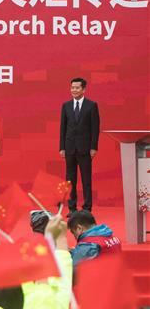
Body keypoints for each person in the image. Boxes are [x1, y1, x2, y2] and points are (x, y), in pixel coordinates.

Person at [59, 77, 100, 213]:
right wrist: (62, 147)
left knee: (86, 179)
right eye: (72, 88)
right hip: (70, 148)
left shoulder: (91, 105)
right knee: (70, 181)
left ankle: (87, 208)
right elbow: (63, 128)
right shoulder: (66, 106)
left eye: (77, 88)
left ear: (83, 89)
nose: (74, 90)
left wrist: (94, 147)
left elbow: (95, 128)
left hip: (85, 148)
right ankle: (72, 208)